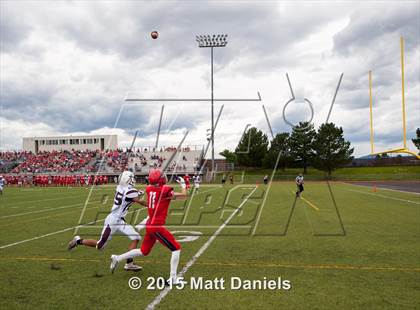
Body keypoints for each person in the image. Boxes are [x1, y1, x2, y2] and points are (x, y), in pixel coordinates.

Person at [110, 169, 188, 285]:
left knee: (144, 251)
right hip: (156, 226)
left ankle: (118, 258)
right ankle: (173, 278)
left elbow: (156, 191)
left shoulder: (149, 189)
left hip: (150, 224)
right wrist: (183, 185)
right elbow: (183, 196)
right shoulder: (164, 190)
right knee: (176, 248)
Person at [68, 171, 146, 271]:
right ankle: (78, 241)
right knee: (100, 246)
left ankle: (129, 263)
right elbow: (140, 201)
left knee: (136, 237)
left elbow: (131, 194)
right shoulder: (130, 191)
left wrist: (139, 192)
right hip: (112, 221)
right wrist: (153, 205)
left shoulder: (120, 187)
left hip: (120, 221)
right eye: (131, 178)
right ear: (128, 180)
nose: (133, 180)